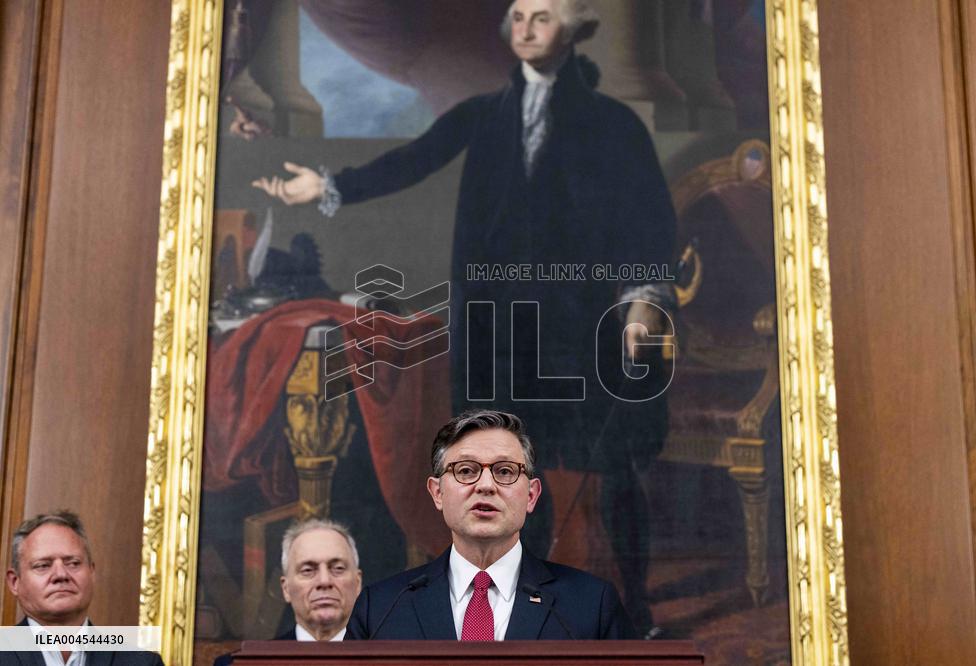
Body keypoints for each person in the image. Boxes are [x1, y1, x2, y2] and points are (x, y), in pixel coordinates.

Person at [254, 0, 675, 633]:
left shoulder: (613, 125)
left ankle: (636, 609)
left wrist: (643, 299)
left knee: (609, 463)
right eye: (520, 16)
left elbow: (647, 216)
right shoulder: (485, 114)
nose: (527, 27)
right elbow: (414, 159)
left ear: (577, 27)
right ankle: (526, 612)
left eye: (544, 16)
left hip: (577, 325)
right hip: (498, 331)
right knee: (511, 474)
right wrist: (326, 185)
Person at [345, 409, 635, 640]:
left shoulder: (591, 605)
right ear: (437, 493)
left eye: (505, 471)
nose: (486, 485)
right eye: (466, 471)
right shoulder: (381, 608)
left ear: (531, 495)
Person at [5, 510, 164, 665]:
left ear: (91, 572)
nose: (61, 574)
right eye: (43, 566)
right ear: (15, 582)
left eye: (73, 563)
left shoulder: (143, 662)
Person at [214, 519, 362, 665]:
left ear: (357, 583)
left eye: (338, 569)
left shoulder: (383, 658)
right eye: (308, 570)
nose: (324, 581)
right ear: (286, 589)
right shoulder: (238, 664)